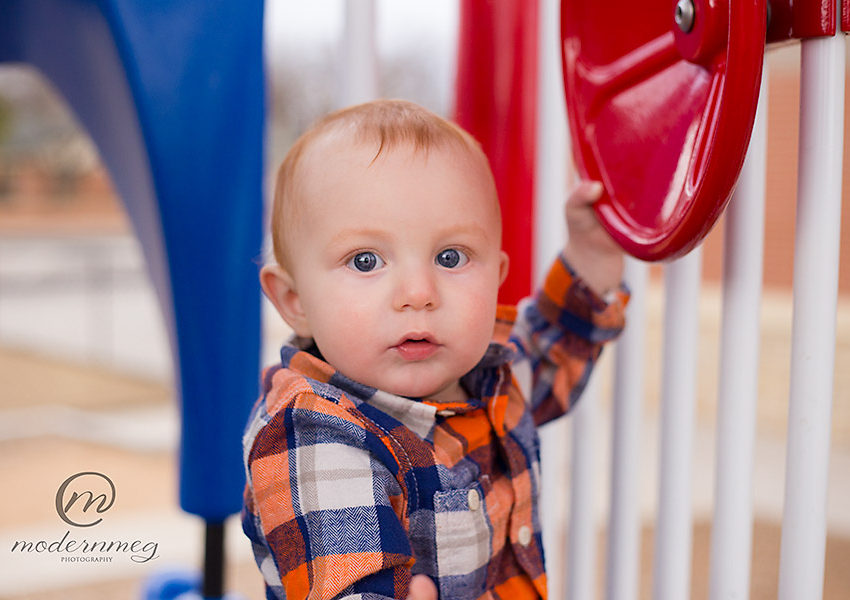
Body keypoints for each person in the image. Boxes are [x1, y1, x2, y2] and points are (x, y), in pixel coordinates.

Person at [242, 99, 627, 600]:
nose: (419, 292)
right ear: (296, 302)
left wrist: (592, 255)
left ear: (496, 282)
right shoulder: (312, 435)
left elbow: (552, 355)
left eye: (451, 257)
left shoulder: (487, 379)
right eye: (364, 261)